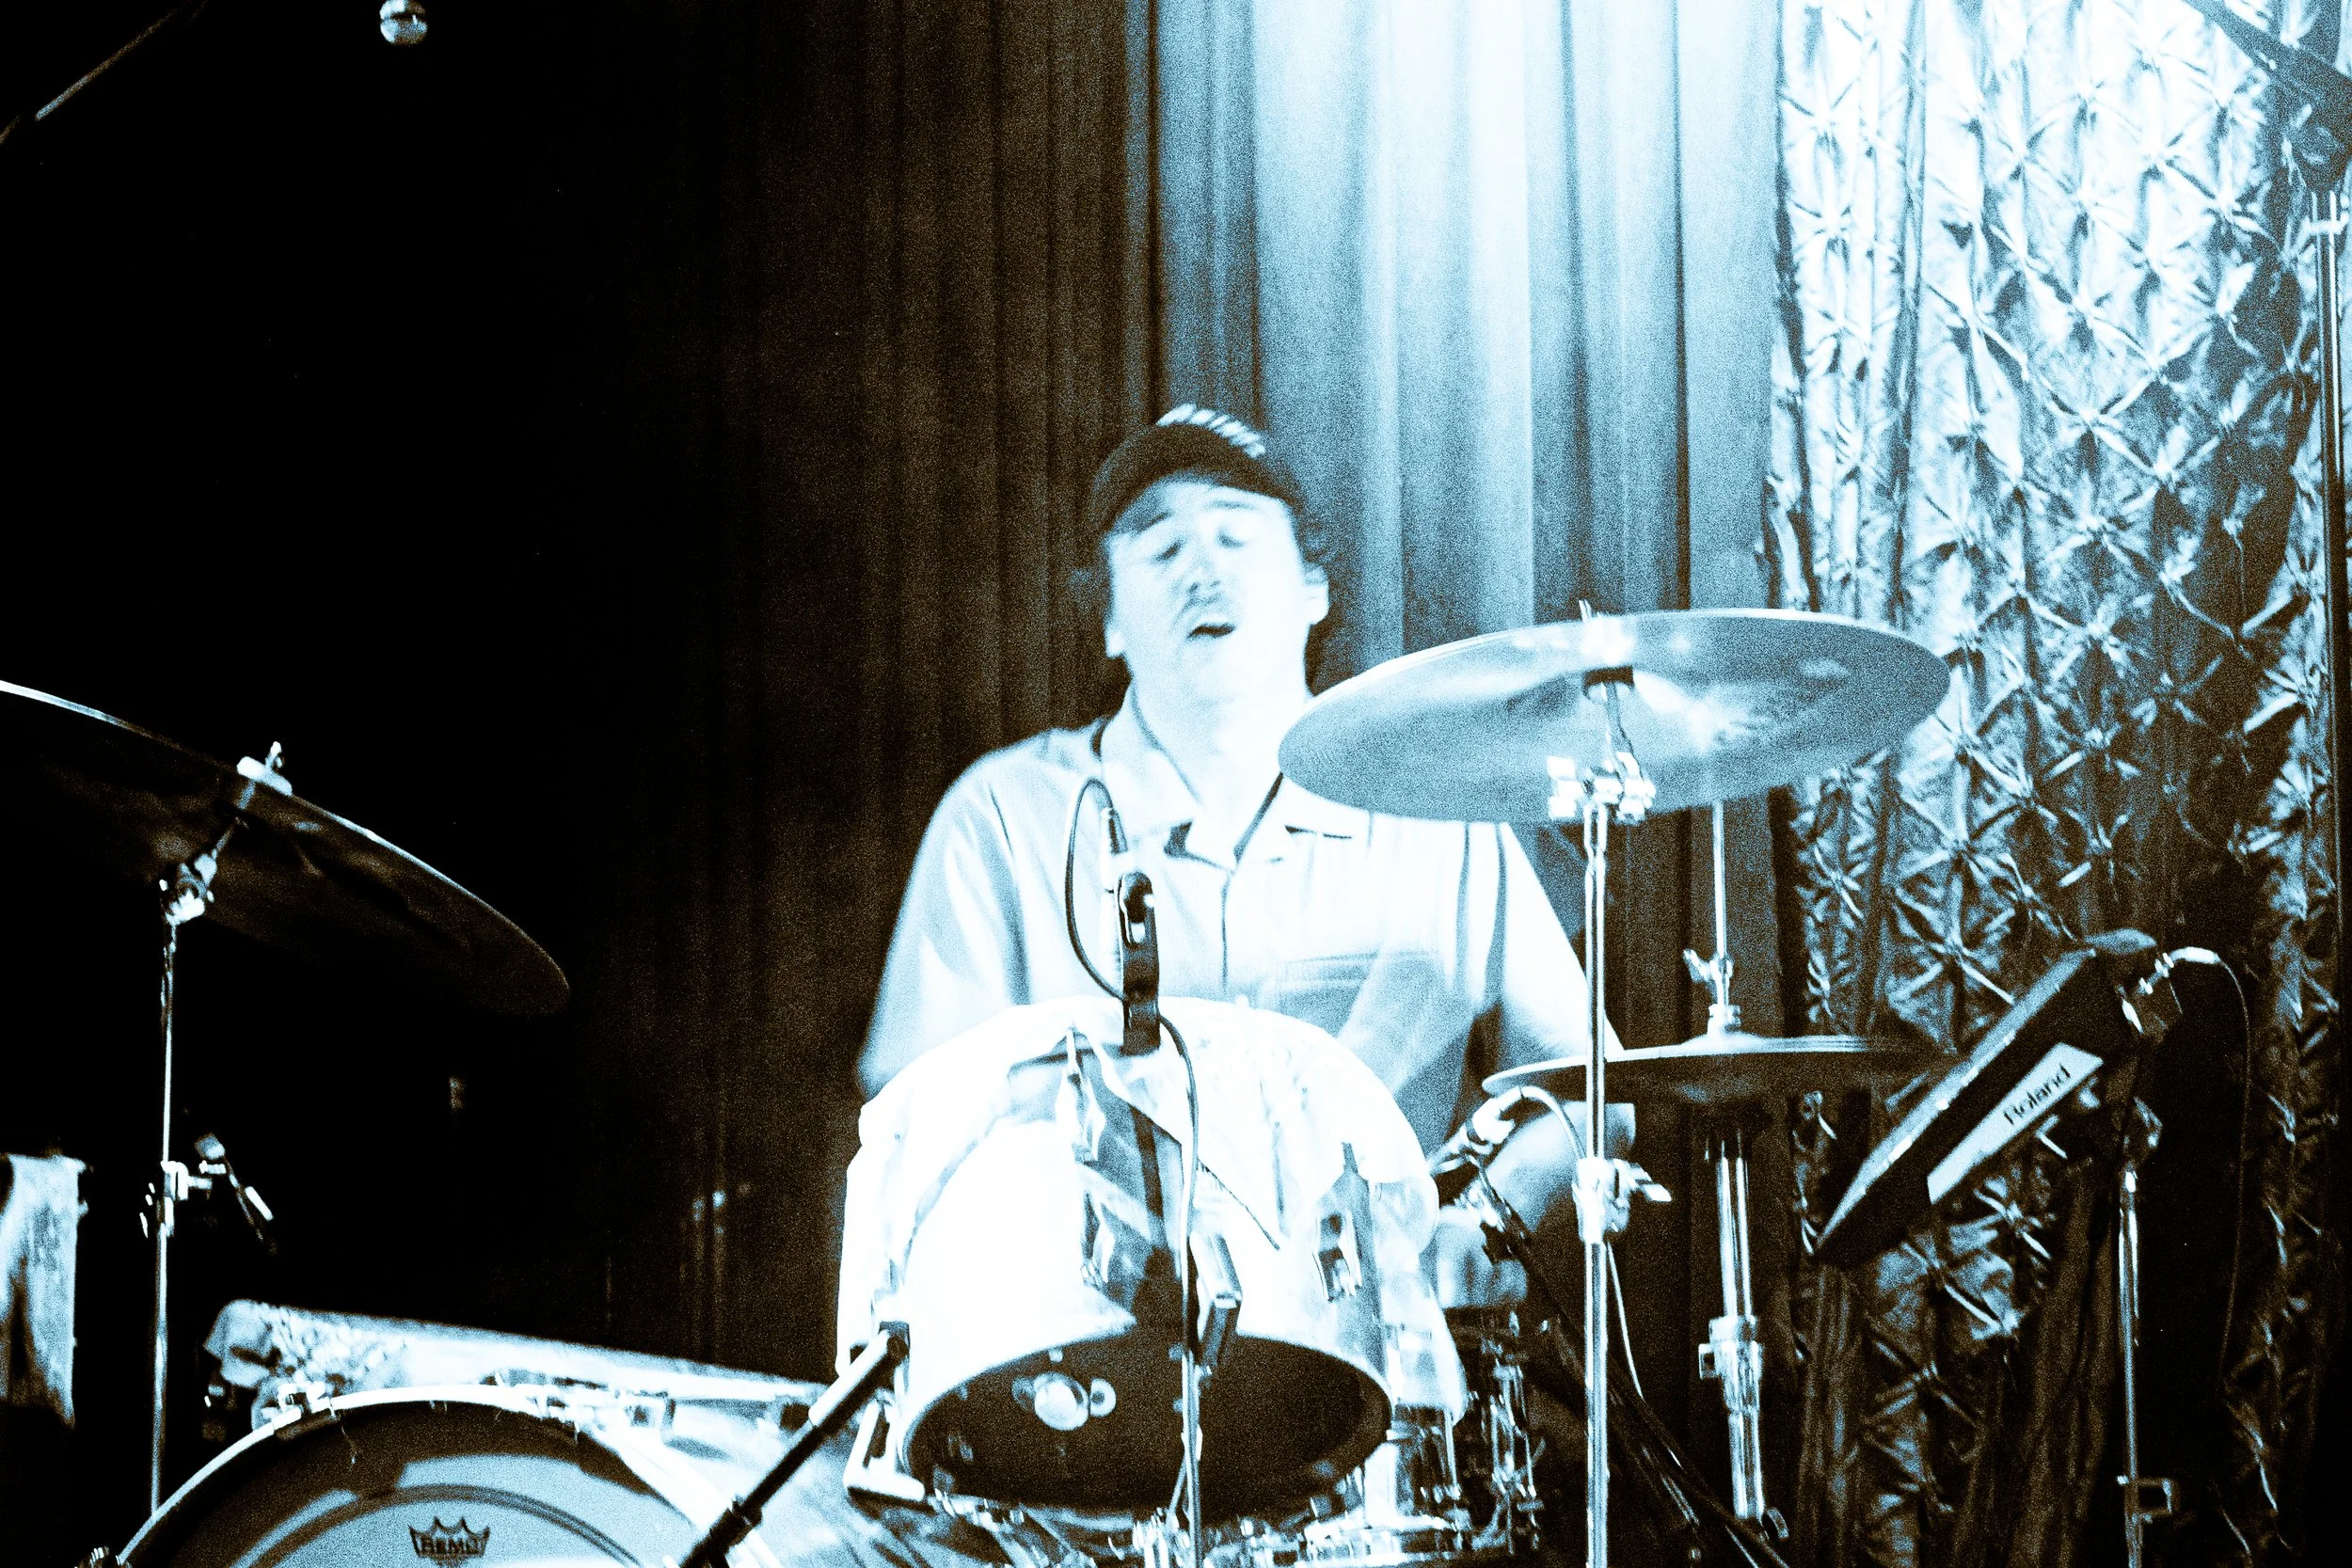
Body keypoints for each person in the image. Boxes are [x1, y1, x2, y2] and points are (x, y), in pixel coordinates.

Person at [862, 404, 1625, 1302]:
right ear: (1109, 623)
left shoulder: (1434, 816)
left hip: (1374, 1341)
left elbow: (1591, 1094)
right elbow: (920, 1118)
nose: (1202, 571)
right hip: (1095, 1346)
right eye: (1160, 550)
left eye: (1235, 536)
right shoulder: (1002, 817)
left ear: (1313, 591)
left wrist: (1480, 1220)